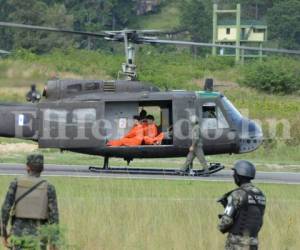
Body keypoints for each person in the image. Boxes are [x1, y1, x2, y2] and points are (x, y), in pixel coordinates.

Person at [0, 154, 59, 250]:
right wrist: (54, 242)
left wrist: (4, 233)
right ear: (42, 168)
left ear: (27, 167)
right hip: (40, 234)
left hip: (19, 233)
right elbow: (54, 217)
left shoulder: (16, 183)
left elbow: (5, 210)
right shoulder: (49, 187)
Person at [218, 160, 266, 250]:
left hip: (236, 244)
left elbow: (224, 224)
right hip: (253, 244)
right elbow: (258, 222)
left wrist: (224, 216)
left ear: (239, 175)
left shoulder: (237, 194)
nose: (233, 175)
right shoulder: (261, 195)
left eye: (235, 173)